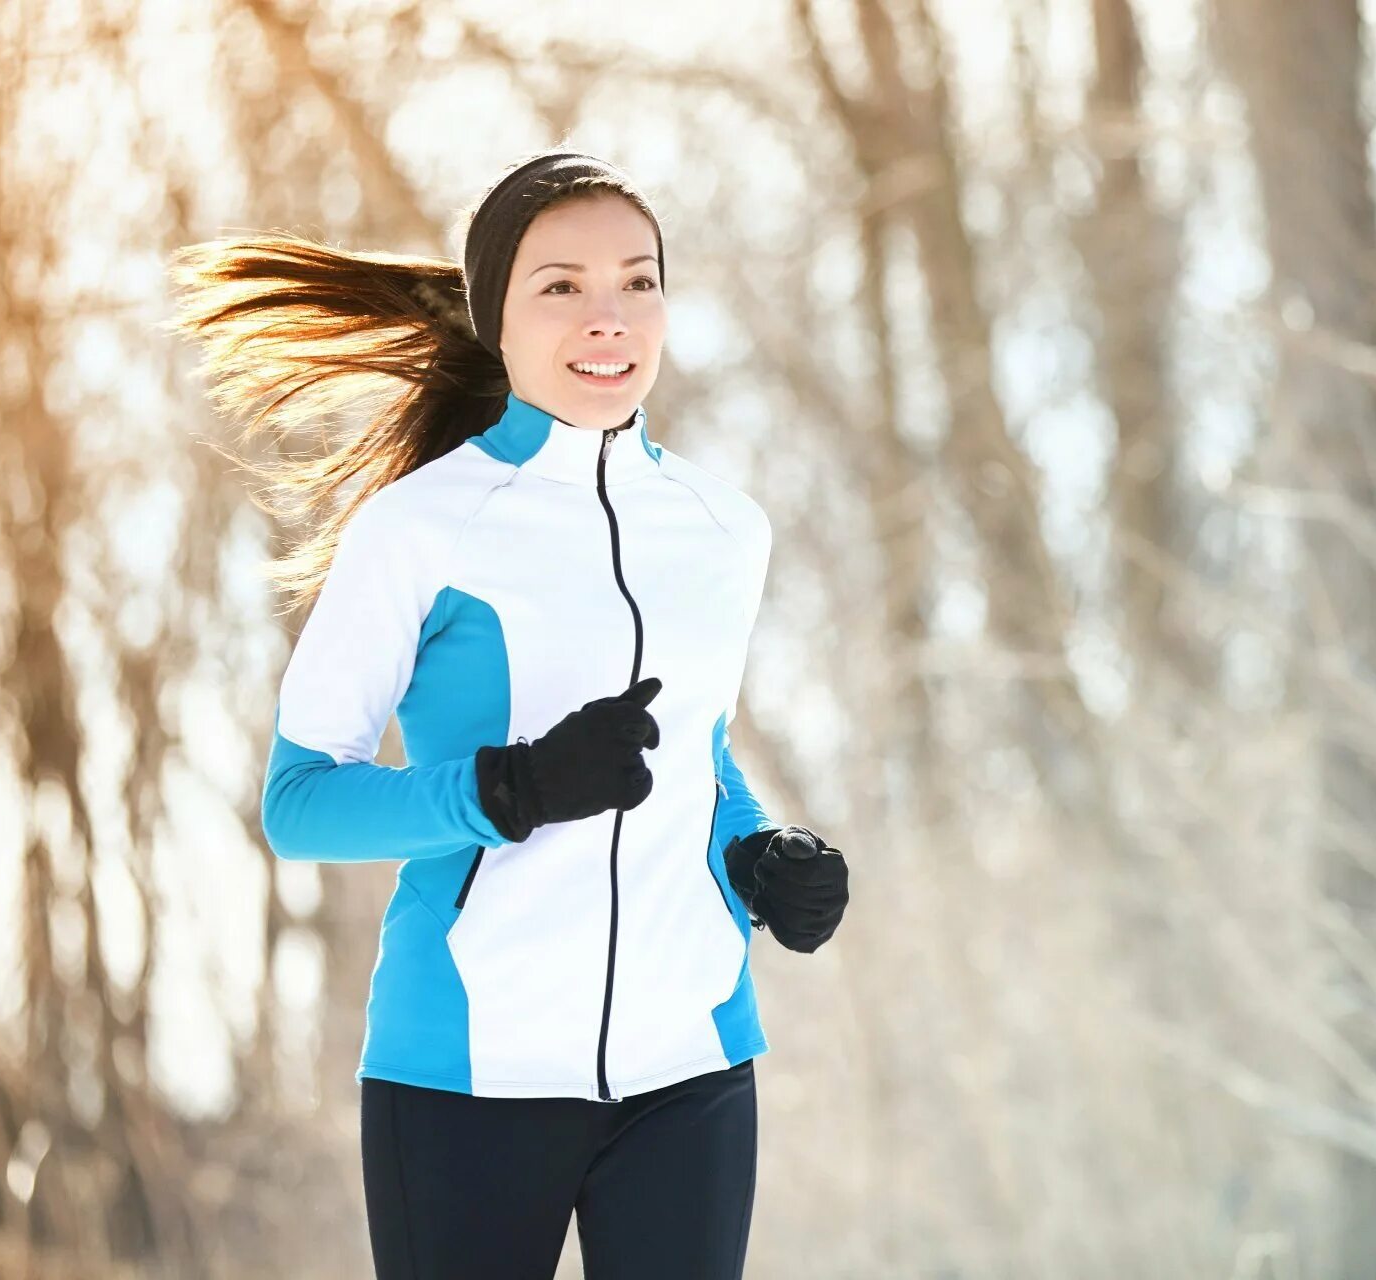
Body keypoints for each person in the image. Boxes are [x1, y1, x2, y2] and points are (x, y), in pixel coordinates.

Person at [166, 148, 851, 1279]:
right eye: (562, 285)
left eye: (639, 280)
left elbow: (696, 757)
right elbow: (298, 803)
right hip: (467, 1077)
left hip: (691, 1064)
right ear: (497, 316)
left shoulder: (725, 528)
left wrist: (760, 853)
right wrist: (508, 789)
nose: (609, 316)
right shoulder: (421, 529)